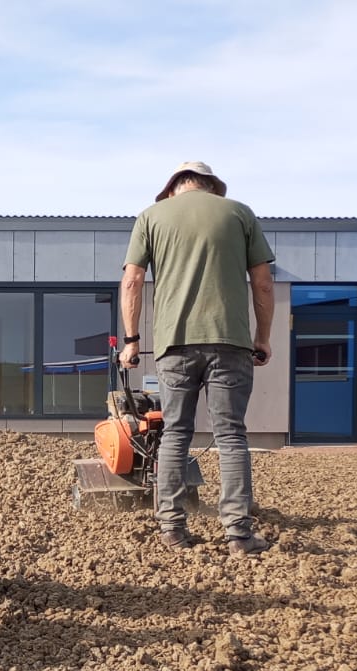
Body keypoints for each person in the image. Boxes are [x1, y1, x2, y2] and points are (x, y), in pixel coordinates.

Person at [118, 161, 275, 557]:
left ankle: (172, 528)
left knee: (174, 434)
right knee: (232, 437)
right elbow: (263, 282)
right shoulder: (239, 213)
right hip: (231, 344)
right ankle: (239, 535)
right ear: (211, 187)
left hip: (175, 346)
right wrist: (263, 337)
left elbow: (133, 280)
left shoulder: (150, 217)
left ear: (173, 188)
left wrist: (132, 340)